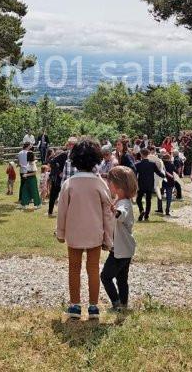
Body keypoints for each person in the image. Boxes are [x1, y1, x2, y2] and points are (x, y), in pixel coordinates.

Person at [55, 138, 113, 321]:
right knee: (93, 269)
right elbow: (108, 214)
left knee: (74, 268)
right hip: (95, 233)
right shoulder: (100, 184)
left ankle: (75, 305)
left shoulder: (69, 184)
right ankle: (94, 307)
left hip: (74, 233)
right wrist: (108, 238)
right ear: (96, 159)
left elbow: (62, 211)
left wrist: (60, 233)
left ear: (75, 158)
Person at [101, 166, 137, 311]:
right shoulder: (121, 200)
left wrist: (114, 210)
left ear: (117, 186)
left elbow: (121, 215)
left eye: (110, 183)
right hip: (124, 249)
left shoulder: (124, 204)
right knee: (122, 279)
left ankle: (116, 303)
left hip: (120, 251)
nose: (108, 185)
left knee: (105, 276)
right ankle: (123, 303)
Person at [48, 136, 78, 217]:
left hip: (74, 180)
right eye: (70, 144)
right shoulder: (64, 154)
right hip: (60, 179)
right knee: (55, 195)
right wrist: (59, 172)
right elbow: (52, 162)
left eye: (73, 144)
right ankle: (50, 212)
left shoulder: (78, 156)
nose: (71, 146)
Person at [134, 148, 164, 221]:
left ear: (141, 154)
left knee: (138, 199)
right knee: (148, 200)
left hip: (141, 184)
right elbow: (158, 173)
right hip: (149, 184)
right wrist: (165, 176)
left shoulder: (138, 164)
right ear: (148, 154)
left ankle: (141, 210)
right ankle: (146, 215)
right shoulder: (152, 164)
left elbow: (134, 174)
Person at [16, 142, 30, 206]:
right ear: (27, 146)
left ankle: (20, 198)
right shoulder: (28, 153)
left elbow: (18, 163)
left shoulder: (19, 153)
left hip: (21, 170)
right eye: (30, 146)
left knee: (22, 185)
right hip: (27, 170)